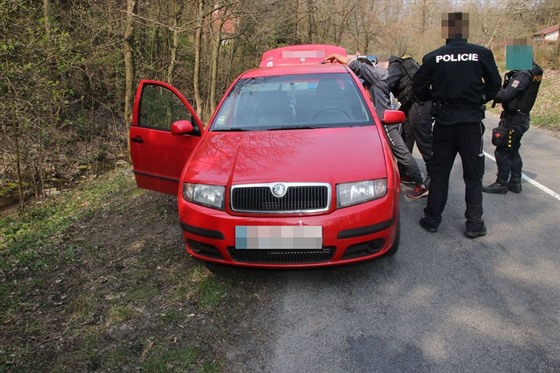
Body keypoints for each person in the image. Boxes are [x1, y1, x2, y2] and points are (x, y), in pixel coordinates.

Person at [412, 12, 502, 238]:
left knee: (440, 172)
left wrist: (434, 96)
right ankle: (474, 223)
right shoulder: (481, 53)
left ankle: (432, 219)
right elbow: (495, 84)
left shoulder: (434, 57)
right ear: (465, 30)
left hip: (444, 122)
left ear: (446, 32)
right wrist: (480, 98)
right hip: (470, 123)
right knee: (473, 175)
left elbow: (418, 88)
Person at [323, 53, 429, 199]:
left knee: (401, 152)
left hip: (385, 122)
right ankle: (407, 175)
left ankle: (420, 185)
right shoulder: (375, 77)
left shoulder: (378, 75)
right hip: (377, 121)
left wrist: (339, 57)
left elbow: (358, 68)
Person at [483, 59, 543, 194]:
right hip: (519, 117)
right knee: (513, 149)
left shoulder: (523, 75)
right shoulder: (531, 70)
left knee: (502, 151)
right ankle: (515, 182)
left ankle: (501, 183)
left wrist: (490, 91)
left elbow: (506, 95)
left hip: (514, 120)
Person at [387, 54, 434, 190]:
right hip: (412, 104)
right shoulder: (404, 65)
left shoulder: (395, 66)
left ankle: (433, 178)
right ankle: (405, 172)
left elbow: (385, 83)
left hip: (419, 105)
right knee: (406, 137)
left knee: (424, 141)